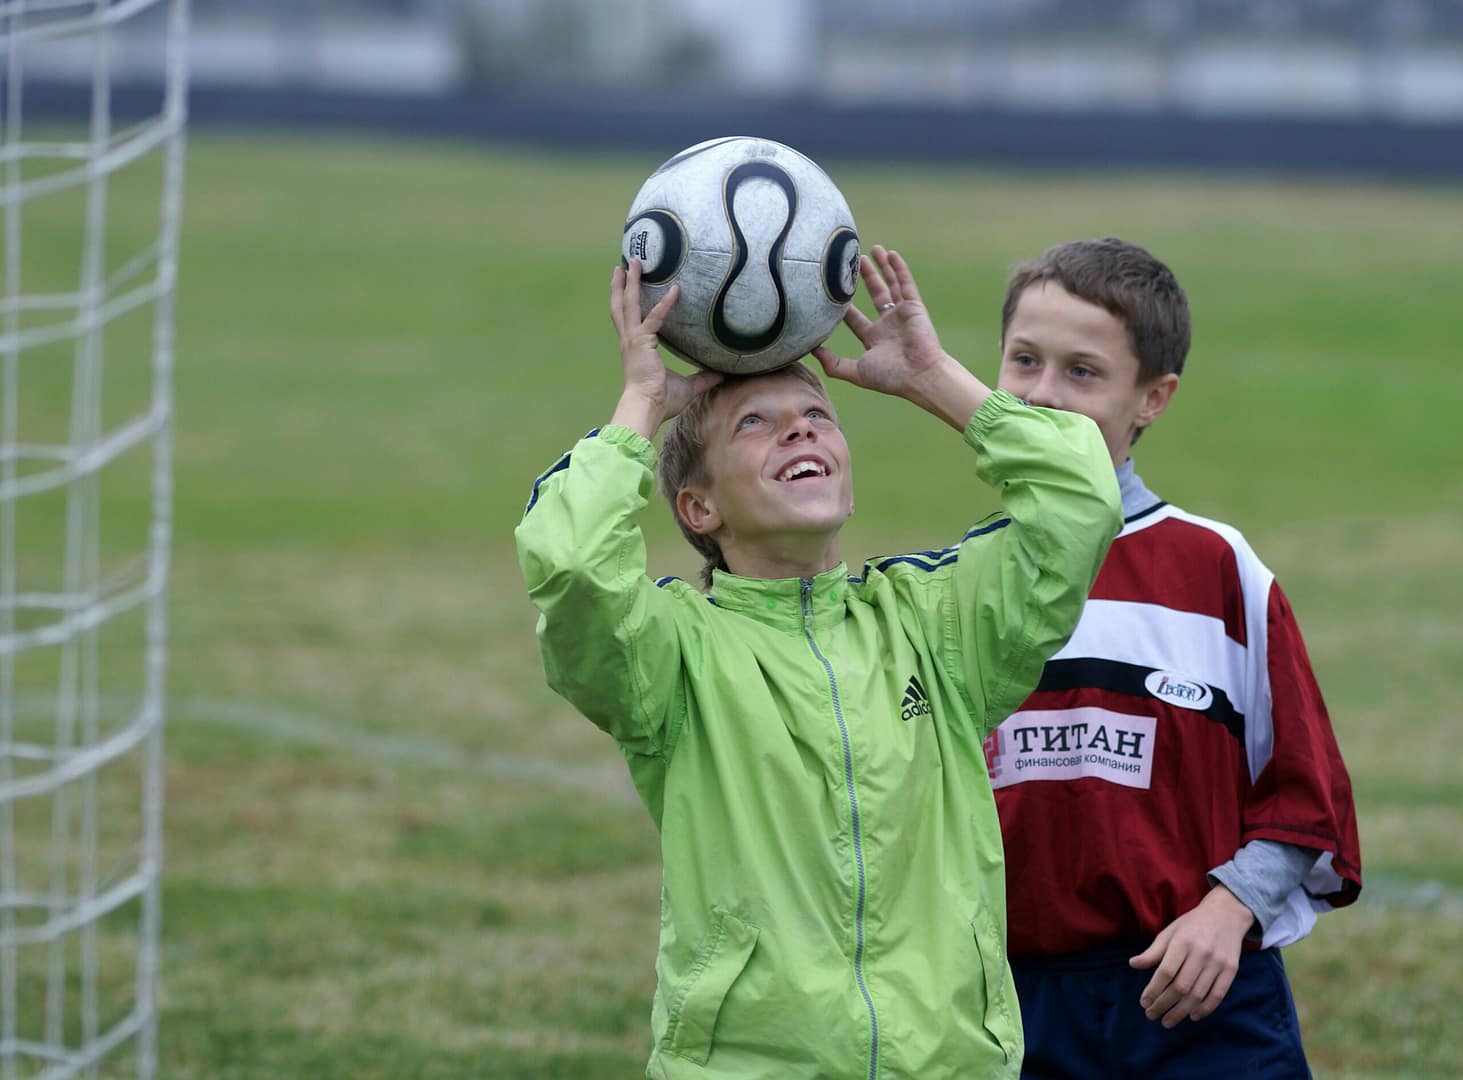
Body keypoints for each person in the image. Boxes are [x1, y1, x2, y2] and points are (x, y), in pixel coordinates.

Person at [515, 246, 1122, 1078]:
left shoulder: (933, 625)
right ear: (698, 507)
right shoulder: (669, 654)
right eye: (752, 424)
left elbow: (1081, 502)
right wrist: (642, 405)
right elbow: (575, 565)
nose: (798, 426)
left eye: (815, 414)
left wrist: (932, 376)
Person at [982, 237, 1363, 1078]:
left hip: (1200, 997)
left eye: (1082, 372)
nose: (1042, 394)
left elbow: (1304, 801)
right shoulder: (960, 582)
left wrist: (1229, 911)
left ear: (1152, 397)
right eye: (1023, 361)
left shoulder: (1216, 569)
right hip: (1008, 1008)